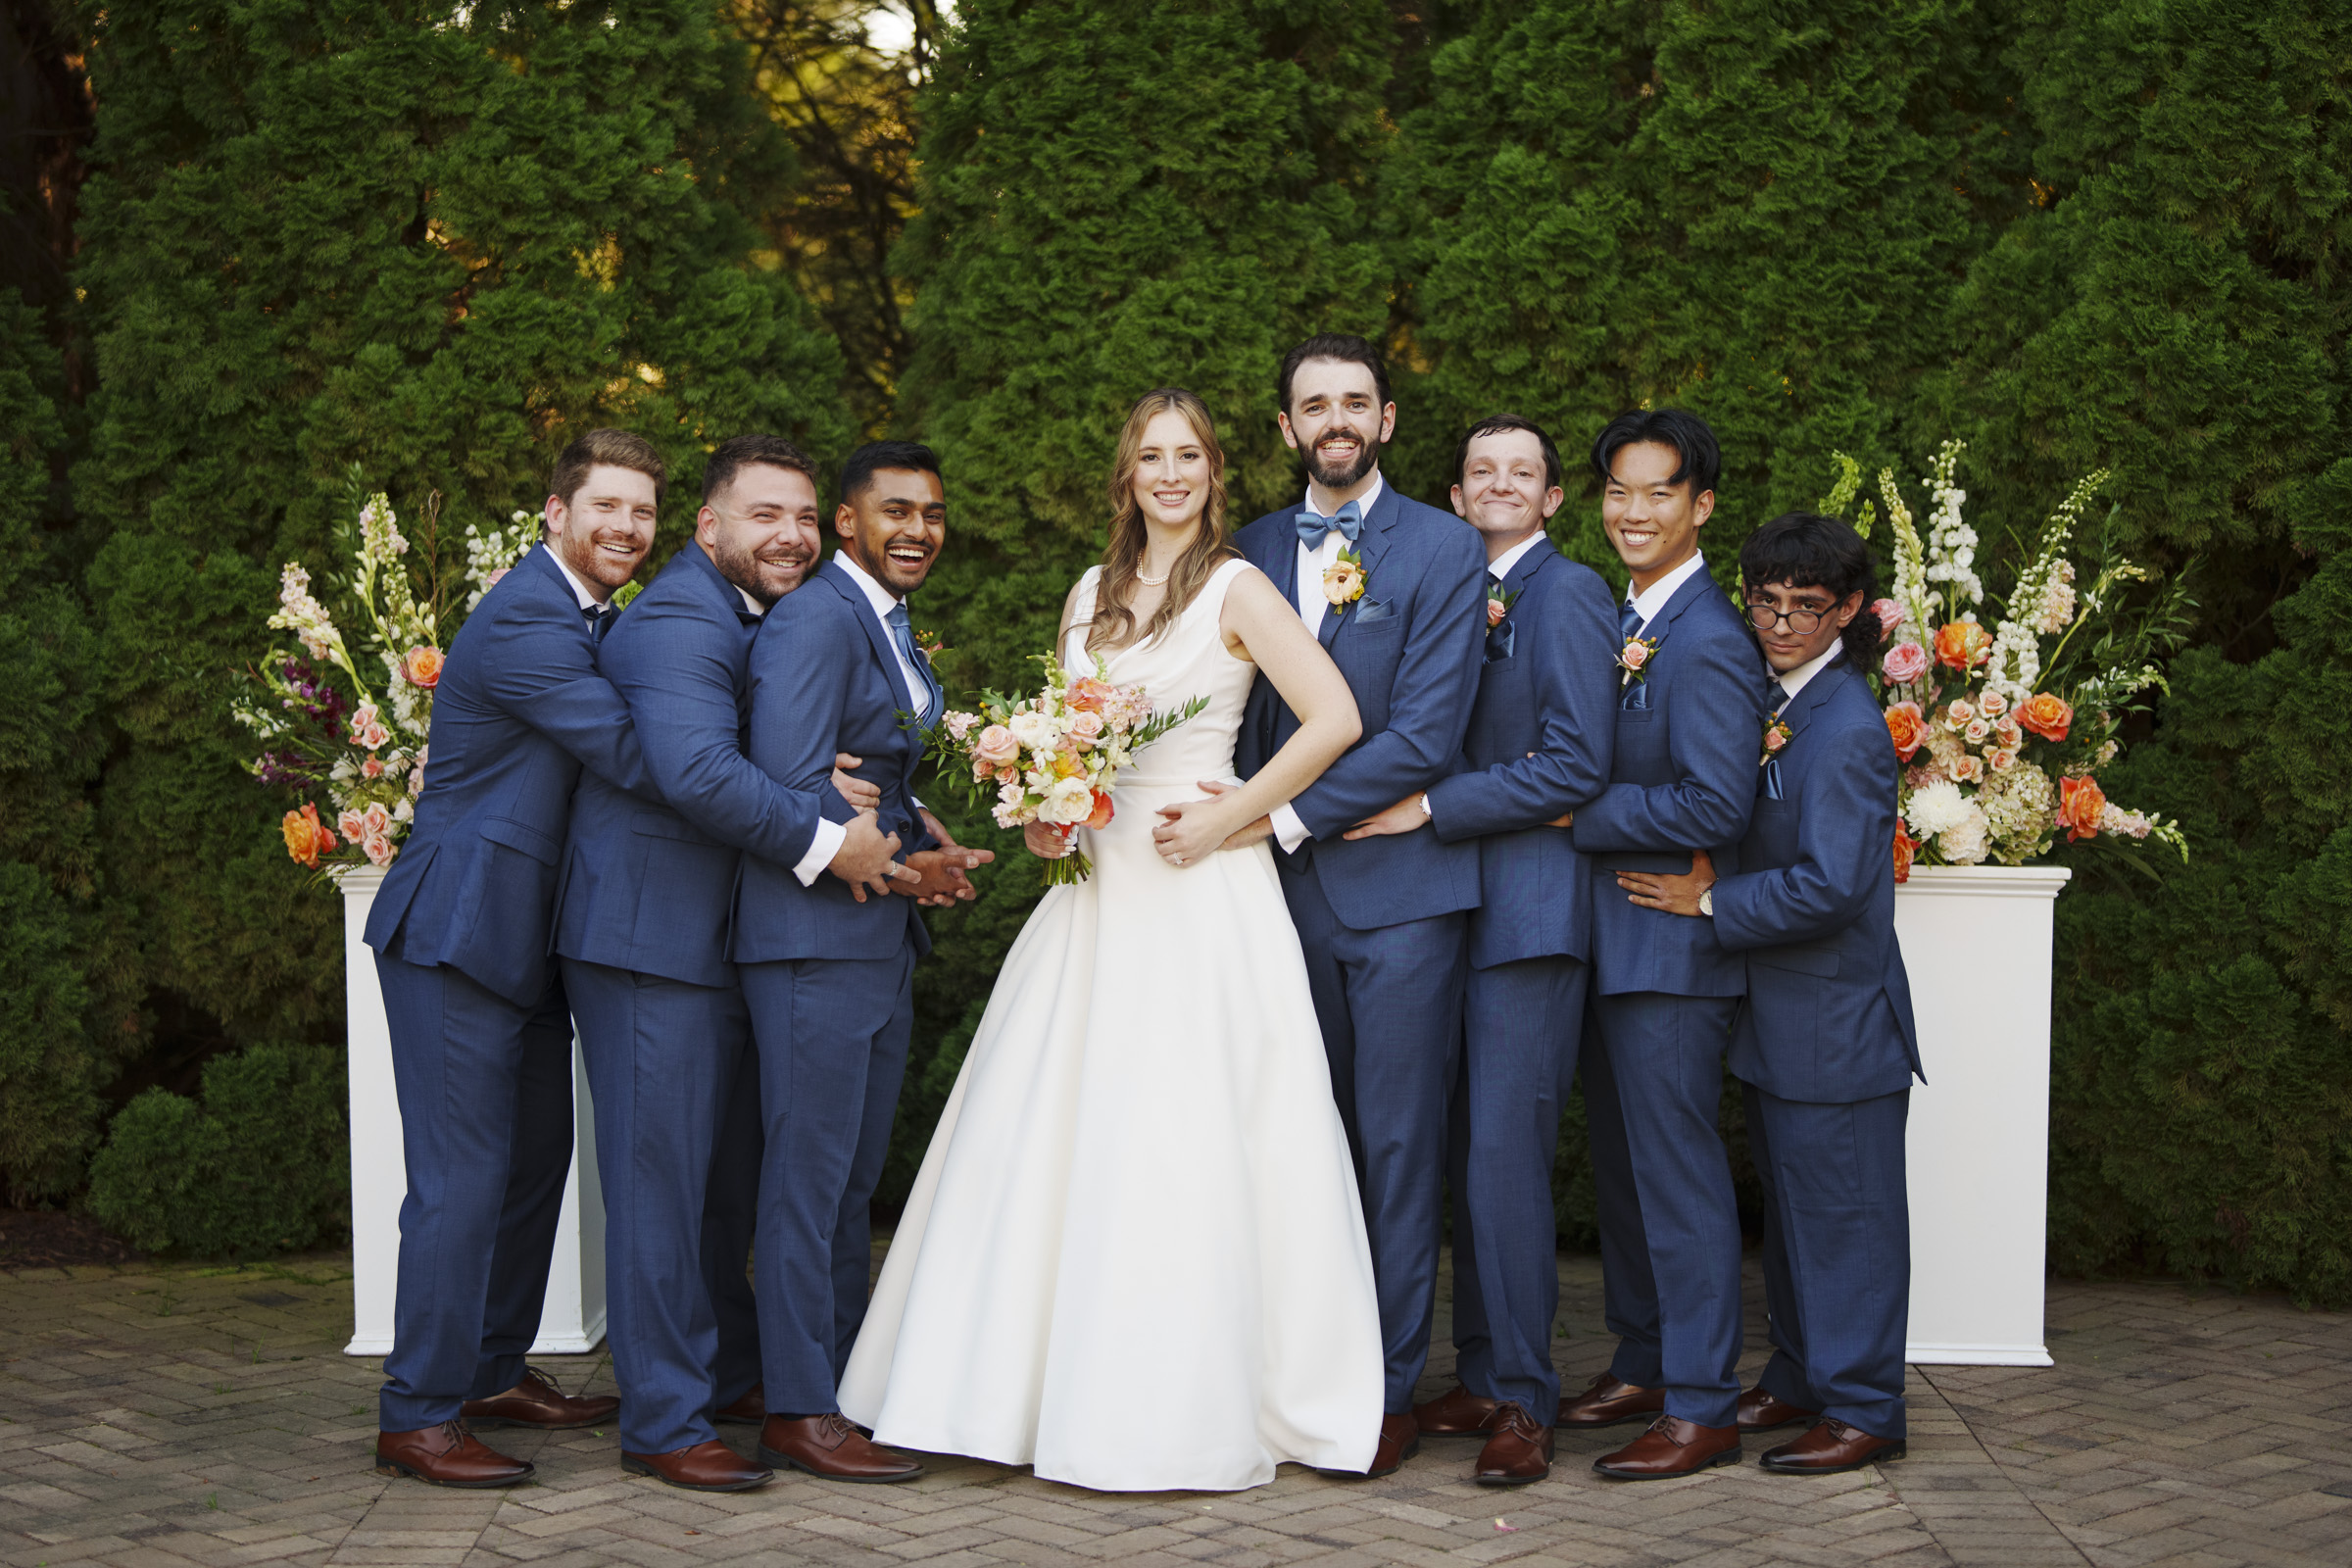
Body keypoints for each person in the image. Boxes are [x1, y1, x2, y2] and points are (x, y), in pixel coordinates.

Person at [839, 389, 1384, 1492]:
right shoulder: (1090, 591)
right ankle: (1021, 1392)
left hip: (1202, 888)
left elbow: (1334, 717)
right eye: (1151, 456)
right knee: (1062, 1125)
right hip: (1096, 887)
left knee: (1191, 1128)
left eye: (1189, 455)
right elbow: (1069, 743)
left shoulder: (1239, 585)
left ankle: (1195, 1400)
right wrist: (1045, 808)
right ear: (1126, 474)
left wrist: (1235, 816)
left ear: (1215, 472)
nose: (1170, 473)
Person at [552, 435, 918, 1492]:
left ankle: (732, 1376)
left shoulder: (759, 622)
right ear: (707, 527)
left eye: (804, 518)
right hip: (646, 940)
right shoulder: (678, 620)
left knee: (717, 1186)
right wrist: (826, 833)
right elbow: (699, 770)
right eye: (766, 516)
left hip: (714, 940)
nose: (792, 536)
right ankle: (665, 1421)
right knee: (659, 1184)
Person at [363, 429, 664, 1487]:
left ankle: (490, 1367)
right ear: (556, 512)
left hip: (528, 940)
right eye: (607, 507)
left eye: (642, 511)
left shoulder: (597, 615)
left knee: (534, 1165)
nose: (626, 526)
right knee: (461, 1180)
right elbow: (630, 750)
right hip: (456, 932)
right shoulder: (532, 617)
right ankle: (419, 1410)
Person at [1216, 334, 1488, 1478]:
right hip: (1261, 906)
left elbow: (1426, 735)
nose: (1334, 419)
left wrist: (1279, 818)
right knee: (1283, 1139)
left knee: (1391, 1141)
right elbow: (1219, 712)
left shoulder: (1444, 545)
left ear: (1386, 420)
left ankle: (1377, 1391)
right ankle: (1283, 1369)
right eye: (1312, 404)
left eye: (1354, 402)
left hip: (1399, 907)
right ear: (1285, 429)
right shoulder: (1244, 552)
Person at [1614, 513, 1919, 1477]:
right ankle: (1796, 1376)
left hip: (1837, 1024)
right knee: (1793, 1219)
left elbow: (1831, 885)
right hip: (1784, 1021)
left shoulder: (1851, 729)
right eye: (1768, 602)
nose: (1782, 623)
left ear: (1851, 612)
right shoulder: (1786, 697)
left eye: (1808, 607)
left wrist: (1713, 900)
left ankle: (1866, 1405)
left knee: (1847, 1223)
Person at [1352, 416, 1618, 1485]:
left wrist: (1430, 804)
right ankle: (1464, 1371)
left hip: (1522, 914)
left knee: (1505, 1161)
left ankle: (1524, 1396)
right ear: (1455, 497)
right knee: (1439, 1151)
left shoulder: (1569, 594)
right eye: (1480, 472)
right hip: (1435, 912)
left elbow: (1575, 765)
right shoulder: (1444, 587)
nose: (1501, 485)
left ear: (1552, 500)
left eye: (1524, 472)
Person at [731, 440, 985, 1483]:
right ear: (847, 522)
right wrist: (897, 865)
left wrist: (928, 846)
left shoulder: (882, 619)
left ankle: (834, 1379)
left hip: (869, 937)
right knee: (806, 1179)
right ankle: (796, 1405)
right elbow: (788, 783)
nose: (917, 529)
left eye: (931, 511)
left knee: (844, 1183)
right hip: (810, 940)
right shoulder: (813, 620)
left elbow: (871, 773)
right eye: (895, 511)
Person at [1560, 410, 1768, 1481]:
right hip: (1612, 938)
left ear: (1702, 506)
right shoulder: (1622, 616)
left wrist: (1574, 812)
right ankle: (1643, 1361)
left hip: (1670, 952)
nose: (1632, 512)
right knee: (1627, 1173)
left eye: (1658, 493)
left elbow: (1717, 800)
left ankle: (1702, 1402)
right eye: (1618, 491)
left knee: (1677, 1175)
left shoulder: (1715, 639)